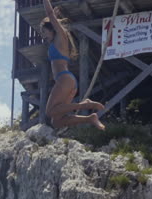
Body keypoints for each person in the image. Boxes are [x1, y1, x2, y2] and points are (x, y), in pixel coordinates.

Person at [41, 0, 105, 130]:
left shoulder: (61, 37)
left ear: (52, 29)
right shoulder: (55, 41)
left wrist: (49, 10)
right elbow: (51, 17)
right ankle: (90, 118)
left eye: (44, 32)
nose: (43, 36)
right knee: (56, 122)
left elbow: (49, 13)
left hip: (65, 79)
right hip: (66, 81)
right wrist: (53, 17)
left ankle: (84, 105)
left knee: (49, 111)